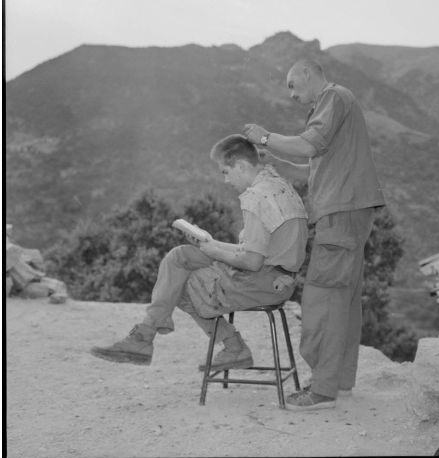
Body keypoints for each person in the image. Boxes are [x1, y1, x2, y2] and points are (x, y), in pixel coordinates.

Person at [91, 135, 308, 374]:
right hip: (275, 275)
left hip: (262, 282)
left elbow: (252, 261)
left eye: (226, 172)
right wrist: (212, 243)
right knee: (179, 256)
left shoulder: (256, 198)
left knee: (178, 286)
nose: (226, 180)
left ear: (241, 166)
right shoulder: (275, 183)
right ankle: (145, 336)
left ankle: (230, 346)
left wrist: (215, 251)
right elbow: (258, 251)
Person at [244, 59, 386, 411]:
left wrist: (263, 136)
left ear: (309, 74)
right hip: (351, 211)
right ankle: (339, 383)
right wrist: (271, 152)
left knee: (323, 298)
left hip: (340, 211)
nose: (292, 95)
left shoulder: (333, 97)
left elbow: (310, 145)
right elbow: (316, 159)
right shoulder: (339, 103)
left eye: (293, 85)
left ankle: (321, 392)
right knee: (344, 300)